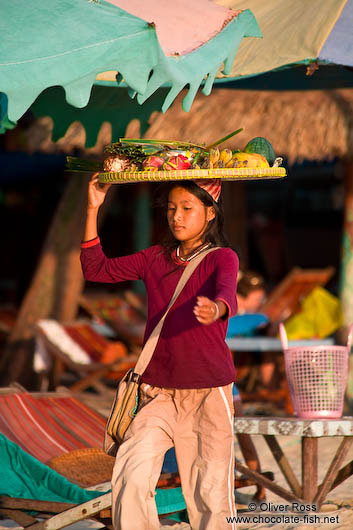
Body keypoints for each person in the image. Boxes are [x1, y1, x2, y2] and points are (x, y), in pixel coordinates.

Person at [80, 173, 239, 530]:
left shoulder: (222, 258)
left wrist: (216, 309)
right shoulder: (154, 258)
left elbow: (227, 293)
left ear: (210, 213)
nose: (176, 217)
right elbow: (96, 269)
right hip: (158, 394)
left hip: (208, 394)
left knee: (209, 498)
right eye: (171, 209)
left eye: (187, 208)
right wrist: (93, 208)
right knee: (130, 477)